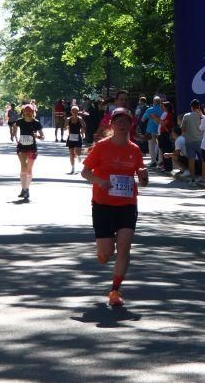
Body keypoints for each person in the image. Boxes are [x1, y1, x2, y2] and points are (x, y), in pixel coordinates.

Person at [81, 107, 149, 307]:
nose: (122, 124)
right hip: (103, 205)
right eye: (118, 121)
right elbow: (85, 172)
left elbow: (143, 181)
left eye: (125, 121)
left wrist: (144, 176)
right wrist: (99, 181)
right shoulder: (101, 146)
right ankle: (103, 251)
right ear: (111, 124)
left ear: (130, 125)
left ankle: (115, 290)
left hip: (127, 205)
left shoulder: (134, 150)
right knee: (106, 253)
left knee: (124, 248)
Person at [15, 103, 44, 200]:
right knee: (23, 166)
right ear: (23, 112)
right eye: (26, 111)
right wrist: (14, 136)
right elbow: (15, 128)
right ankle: (24, 189)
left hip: (32, 148)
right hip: (21, 147)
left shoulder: (36, 122)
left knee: (29, 168)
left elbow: (43, 137)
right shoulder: (20, 121)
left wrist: (37, 136)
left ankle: (26, 188)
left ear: (33, 112)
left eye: (30, 111)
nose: (28, 112)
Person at [180, 99, 204, 186]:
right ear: (199, 107)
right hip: (201, 141)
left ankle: (193, 180)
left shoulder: (186, 116)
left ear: (191, 107)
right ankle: (204, 178)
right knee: (204, 160)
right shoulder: (202, 116)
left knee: (191, 161)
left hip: (189, 141)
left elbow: (183, 129)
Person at [142, 96, 164, 167]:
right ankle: (160, 161)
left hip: (151, 130)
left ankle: (153, 161)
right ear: (160, 102)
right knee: (160, 146)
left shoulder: (149, 110)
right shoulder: (163, 109)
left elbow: (143, 119)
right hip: (161, 129)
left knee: (151, 146)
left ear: (153, 102)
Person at [65, 105, 87, 173]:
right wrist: (66, 126)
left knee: (77, 152)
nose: (74, 113)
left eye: (76, 111)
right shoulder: (68, 119)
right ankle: (73, 168)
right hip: (71, 137)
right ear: (71, 112)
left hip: (78, 137)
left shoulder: (80, 119)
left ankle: (78, 156)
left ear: (78, 112)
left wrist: (82, 130)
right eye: (73, 111)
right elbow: (65, 127)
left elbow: (84, 126)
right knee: (71, 154)